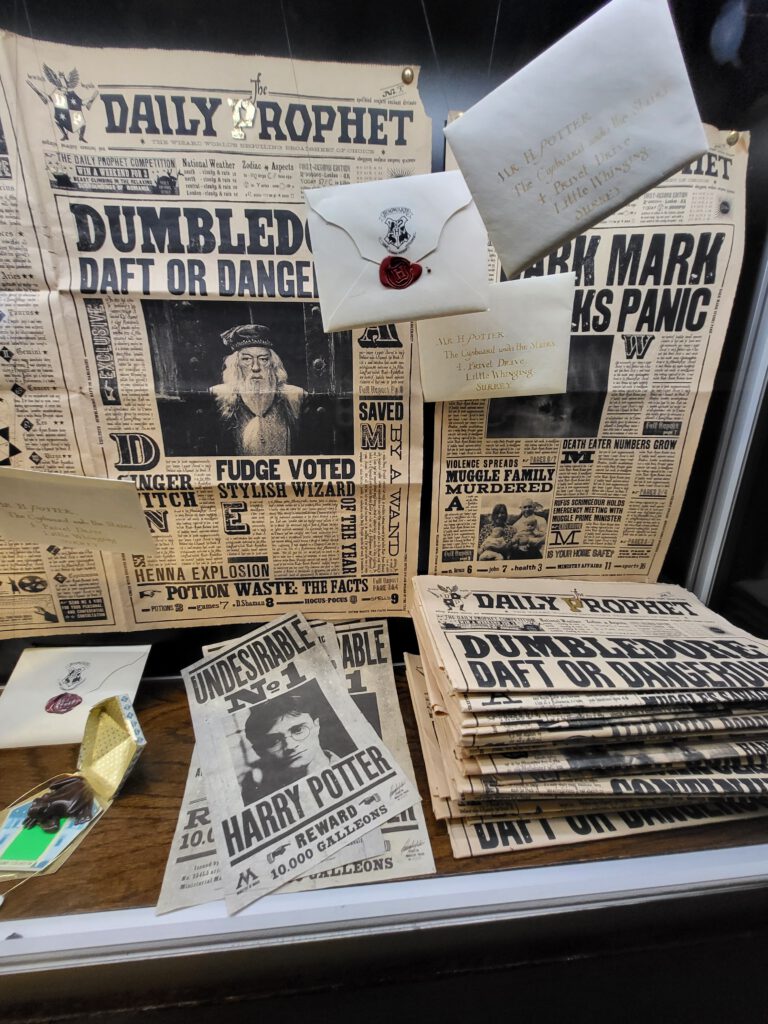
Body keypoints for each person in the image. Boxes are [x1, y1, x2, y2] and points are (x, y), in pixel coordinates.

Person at [210, 324, 306, 456]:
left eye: (263, 359)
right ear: (236, 365)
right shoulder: (218, 397)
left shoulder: (294, 397)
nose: (256, 367)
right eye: (246, 359)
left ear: (273, 364)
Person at [240, 690, 339, 803]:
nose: (290, 746)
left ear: (316, 725)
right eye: (274, 741)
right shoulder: (260, 796)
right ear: (259, 751)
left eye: (298, 730)